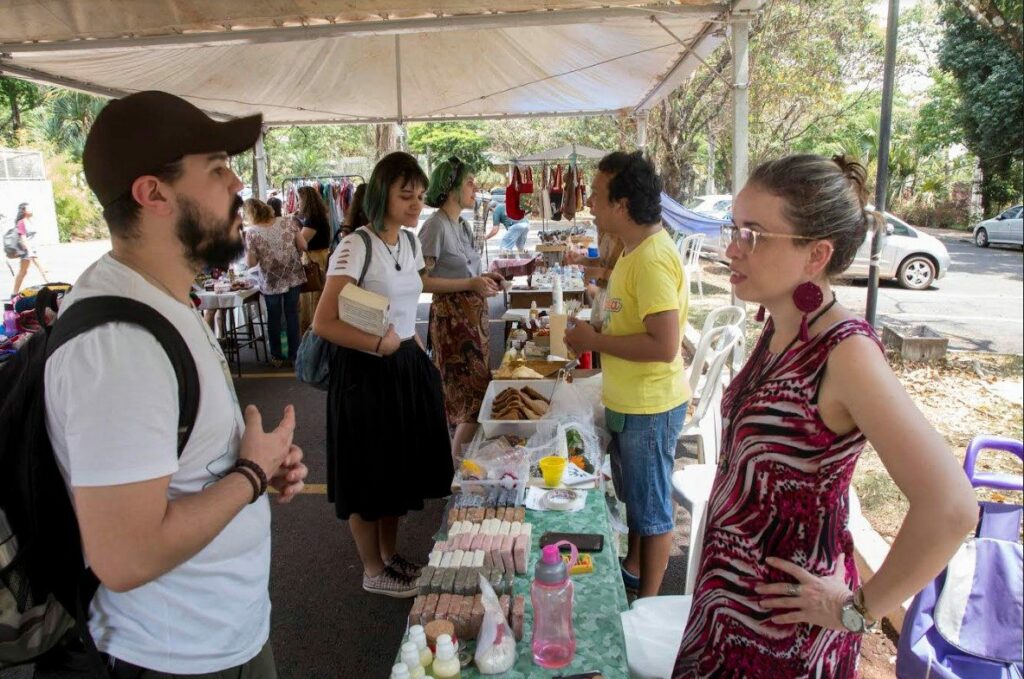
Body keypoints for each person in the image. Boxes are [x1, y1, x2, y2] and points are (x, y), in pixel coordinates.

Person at [671, 155, 978, 678]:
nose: (732, 249)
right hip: (727, 605)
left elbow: (951, 507)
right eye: (733, 228)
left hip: (780, 636)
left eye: (753, 234)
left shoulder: (845, 351)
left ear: (816, 254)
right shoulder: (780, 325)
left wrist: (859, 609)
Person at [38, 91, 308, 677]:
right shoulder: (117, 344)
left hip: (222, 636)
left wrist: (251, 469)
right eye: (215, 169)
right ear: (152, 193)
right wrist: (250, 475)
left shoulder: (163, 301)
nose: (238, 183)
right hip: (175, 657)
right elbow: (126, 556)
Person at [313, 152, 453, 598]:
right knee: (367, 473)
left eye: (420, 195)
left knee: (396, 472)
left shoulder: (409, 242)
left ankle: (390, 559)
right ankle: (372, 569)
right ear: (382, 195)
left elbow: (414, 290)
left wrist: (470, 284)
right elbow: (323, 321)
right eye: (405, 194)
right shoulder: (356, 245)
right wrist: (379, 344)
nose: (416, 204)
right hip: (365, 372)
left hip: (405, 365)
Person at [565, 151, 690, 599]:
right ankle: (634, 569)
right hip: (628, 402)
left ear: (621, 205)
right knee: (636, 501)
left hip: (649, 407)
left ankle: (649, 604)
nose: (590, 205)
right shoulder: (635, 252)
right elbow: (628, 321)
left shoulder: (653, 258)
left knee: (652, 512)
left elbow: (663, 344)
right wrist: (597, 331)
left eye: (597, 196)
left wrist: (594, 342)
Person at [419, 157, 503, 455]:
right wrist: (470, 285)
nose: (475, 187)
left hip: (473, 324)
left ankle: (459, 466)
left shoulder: (462, 225)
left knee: (474, 396)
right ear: (450, 187)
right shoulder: (435, 227)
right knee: (470, 400)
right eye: (469, 181)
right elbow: (421, 281)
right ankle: (456, 469)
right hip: (453, 325)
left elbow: (467, 272)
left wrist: (484, 279)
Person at [244, 197, 307, 367]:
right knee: (292, 314)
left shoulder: (252, 232)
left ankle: (277, 355)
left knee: (274, 317)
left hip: (271, 280)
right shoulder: (288, 222)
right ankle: (295, 354)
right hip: (293, 275)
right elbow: (303, 246)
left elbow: (251, 263)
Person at [293, 185, 331, 335]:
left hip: (314, 260)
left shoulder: (313, 220)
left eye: (299, 200)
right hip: (320, 258)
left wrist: (294, 226)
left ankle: (312, 334)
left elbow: (301, 242)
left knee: (312, 299)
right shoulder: (319, 217)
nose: (297, 203)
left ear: (305, 201)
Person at [10, 202, 49, 297]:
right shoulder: (21, 223)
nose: (31, 210)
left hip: (32, 250)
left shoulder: (30, 221)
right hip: (28, 251)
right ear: (24, 211)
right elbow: (23, 238)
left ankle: (14, 293)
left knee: (24, 271)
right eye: (29, 208)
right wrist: (30, 251)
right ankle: (53, 286)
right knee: (40, 269)